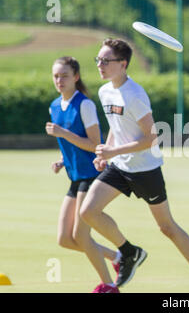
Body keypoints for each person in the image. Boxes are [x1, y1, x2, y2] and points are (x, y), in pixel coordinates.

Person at [79, 38, 189, 293]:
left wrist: (113, 150)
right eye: (98, 60)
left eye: (105, 61)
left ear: (122, 64)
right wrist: (106, 155)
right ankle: (129, 252)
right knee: (88, 212)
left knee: (167, 227)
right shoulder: (104, 91)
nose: (100, 65)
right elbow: (115, 125)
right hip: (120, 167)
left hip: (146, 170)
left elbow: (151, 137)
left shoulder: (135, 95)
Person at [46, 56, 121, 292]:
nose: (60, 80)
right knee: (65, 240)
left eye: (65, 75)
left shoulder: (85, 105)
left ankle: (109, 285)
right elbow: (70, 146)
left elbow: (94, 145)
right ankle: (118, 257)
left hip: (91, 175)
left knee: (81, 235)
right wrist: (62, 161)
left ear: (76, 77)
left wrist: (62, 133)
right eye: (56, 76)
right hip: (75, 176)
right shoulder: (55, 106)